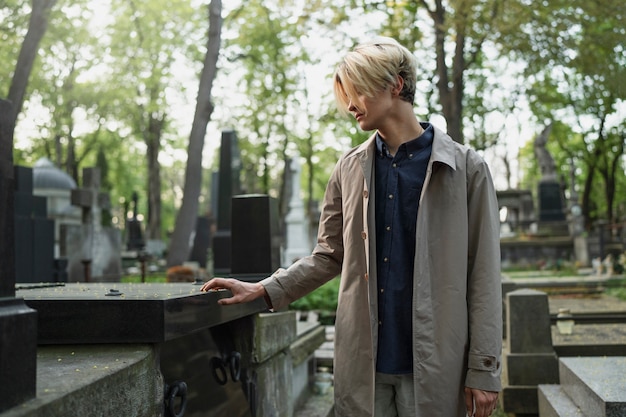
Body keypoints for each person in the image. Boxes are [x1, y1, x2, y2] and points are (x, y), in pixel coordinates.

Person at [201, 36, 502, 417]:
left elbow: (485, 275)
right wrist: (263, 289)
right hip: (364, 368)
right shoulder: (348, 168)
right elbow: (328, 256)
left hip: (437, 366)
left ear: (395, 85)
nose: (349, 105)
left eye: (357, 91)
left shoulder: (466, 169)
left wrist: (484, 369)